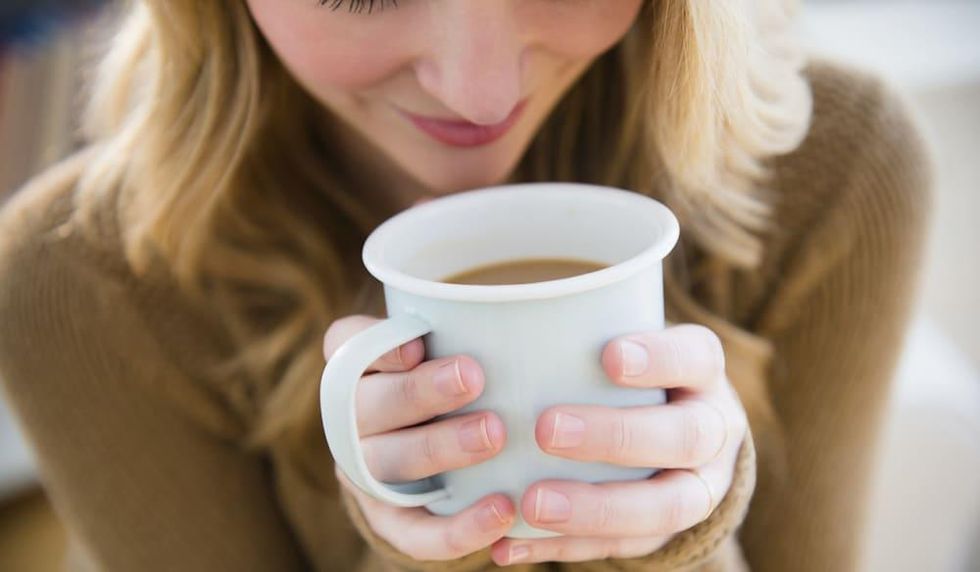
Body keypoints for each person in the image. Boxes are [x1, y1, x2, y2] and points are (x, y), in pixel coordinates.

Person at [0, 1, 931, 570]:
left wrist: (681, 535)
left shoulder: (837, 172)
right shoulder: (75, 283)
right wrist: (425, 544)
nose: (479, 92)